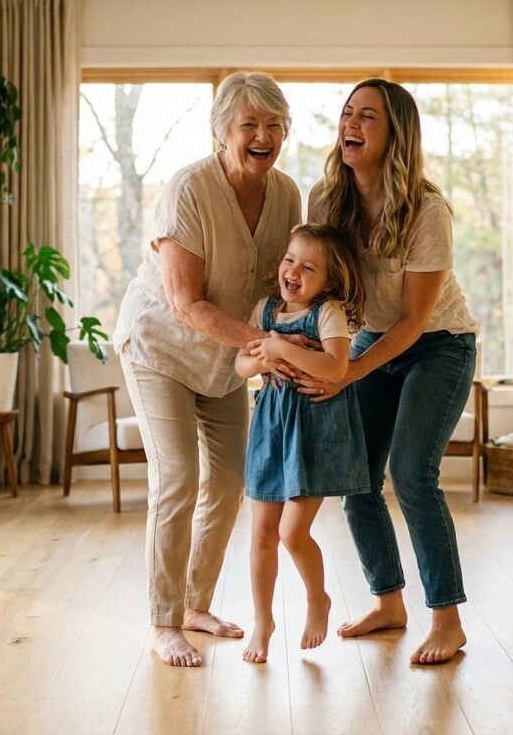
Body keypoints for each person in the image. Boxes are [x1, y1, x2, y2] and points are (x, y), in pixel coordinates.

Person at [111, 72, 302, 668]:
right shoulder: (190, 189)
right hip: (162, 350)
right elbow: (185, 303)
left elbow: (284, 281)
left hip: (224, 359)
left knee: (227, 480)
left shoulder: (287, 194)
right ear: (223, 132)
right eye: (250, 125)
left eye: (274, 125)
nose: (263, 136)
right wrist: (269, 346)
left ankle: (195, 605)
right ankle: (163, 622)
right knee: (177, 476)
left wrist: (304, 338)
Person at [295, 79, 479, 665]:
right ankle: (388, 603)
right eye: (347, 113)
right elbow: (320, 288)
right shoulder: (327, 200)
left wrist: (346, 372)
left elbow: (412, 320)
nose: (350, 124)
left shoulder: (427, 210)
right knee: (357, 478)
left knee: (412, 473)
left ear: (395, 133)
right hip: (372, 340)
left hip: (438, 345)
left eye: (366, 116)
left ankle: (447, 620)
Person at [235, 224, 368, 663]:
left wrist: (280, 349)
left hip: (314, 431)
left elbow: (335, 368)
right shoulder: (265, 309)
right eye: (289, 260)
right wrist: (263, 356)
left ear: (328, 281)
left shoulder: (329, 312)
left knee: (292, 532)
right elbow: (241, 365)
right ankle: (263, 622)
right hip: (271, 428)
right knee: (261, 534)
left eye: (309, 268)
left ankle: (317, 598)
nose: (293, 272)